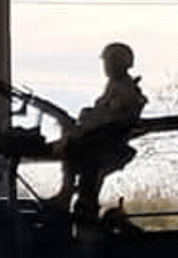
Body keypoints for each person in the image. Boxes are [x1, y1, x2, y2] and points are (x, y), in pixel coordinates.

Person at [49, 42, 149, 222]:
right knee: (74, 148)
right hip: (98, 144)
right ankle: (69, 194)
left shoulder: (125, 90)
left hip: (103, 145)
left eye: (112, 61)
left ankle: (73, 199)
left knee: (77, 154)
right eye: (107, 61)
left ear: (124, 63)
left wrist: (83, 124)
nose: (108, 66)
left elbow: (110, 119)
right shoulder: (114, 86)